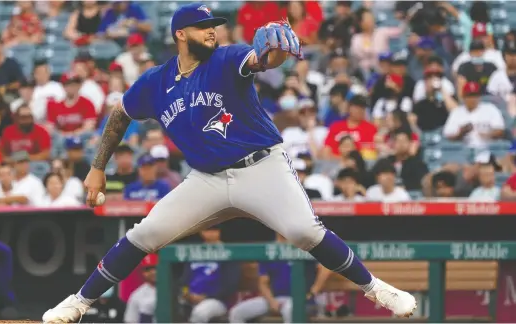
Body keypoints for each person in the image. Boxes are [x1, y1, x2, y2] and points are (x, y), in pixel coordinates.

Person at [42, 4, 417, 322]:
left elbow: (261, 59)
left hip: (261, 168)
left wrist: (277, 52)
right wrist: (97, 167)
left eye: (213, 26)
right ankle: (80, 303)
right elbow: (120, 113)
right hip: (205, 179)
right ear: (180, 35)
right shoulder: (155, 82)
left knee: (303, 231)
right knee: (144, 234)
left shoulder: (225, 58)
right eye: (202, 27)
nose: (211, 32)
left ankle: (377, 289)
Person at [228, 233, 323, 323]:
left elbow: (325, 268)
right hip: (275, 298)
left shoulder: (303, 246)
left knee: (289, 310)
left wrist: (314, 290)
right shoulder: (270, 249)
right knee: (237, 313)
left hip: (300, 300)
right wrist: (271, 301)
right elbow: (263, 283)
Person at [180, 226, 240, 323]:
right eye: (208, 230)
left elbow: (230, 286)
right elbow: (184, 281)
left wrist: (205, 297)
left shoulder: (228, 252)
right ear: (201, 232)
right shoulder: (195, 252)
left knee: (199, 313)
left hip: (217, 301)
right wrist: (187, 294)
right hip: (190, 300)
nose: (211, 233)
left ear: (219, 232)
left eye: (214, 229)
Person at [443, 81, 505, 149]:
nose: (472, 99)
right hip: (462, 151)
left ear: (479, 96)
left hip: (487, 149)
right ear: (464, 97)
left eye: (475, 95)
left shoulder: (490, 109)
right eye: (469, 96)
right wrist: (461, 133)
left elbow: (500, 130)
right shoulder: (456, 112)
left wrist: (487, 135)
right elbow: (448, 135)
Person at [124, 254, 158, 323]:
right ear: (143, 272)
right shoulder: (137, 295)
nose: (153, 272)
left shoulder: (170, 289)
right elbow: (130, 320)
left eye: (155, 268)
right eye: (148, 269)